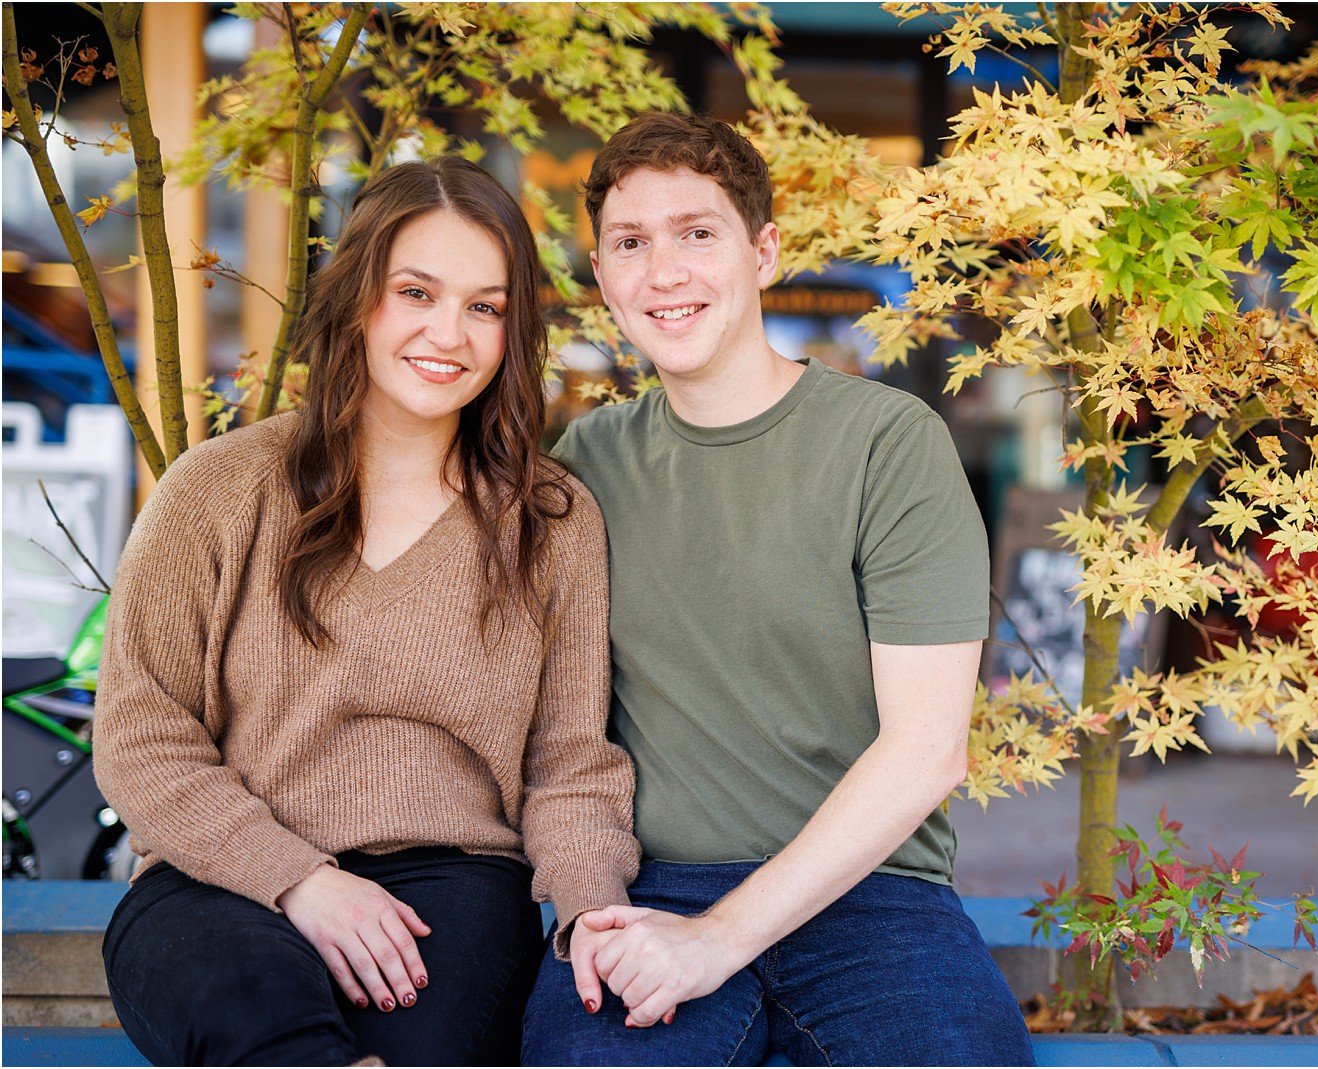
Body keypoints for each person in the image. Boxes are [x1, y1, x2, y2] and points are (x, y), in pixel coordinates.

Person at [95, 157, 640, 1067]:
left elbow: (572, 762)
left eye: (485, 306)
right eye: (416, 291)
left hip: (452, 888)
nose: (449, 333)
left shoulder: (551, 522)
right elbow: (142, 737)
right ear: (355, 298)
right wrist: (298, 878)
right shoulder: (220, 490)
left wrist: (589, 907)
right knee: (257, 1012)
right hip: (215, 882)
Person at [521, 113, 1034, 1067]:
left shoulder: (888, 443)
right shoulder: (584, 462)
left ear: (764, 253)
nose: (663, 272)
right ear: (602, 278)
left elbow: (927, 750)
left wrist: (720, 939)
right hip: (654, 887)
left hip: (871, 895)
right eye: (631, 243)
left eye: (697, 233)